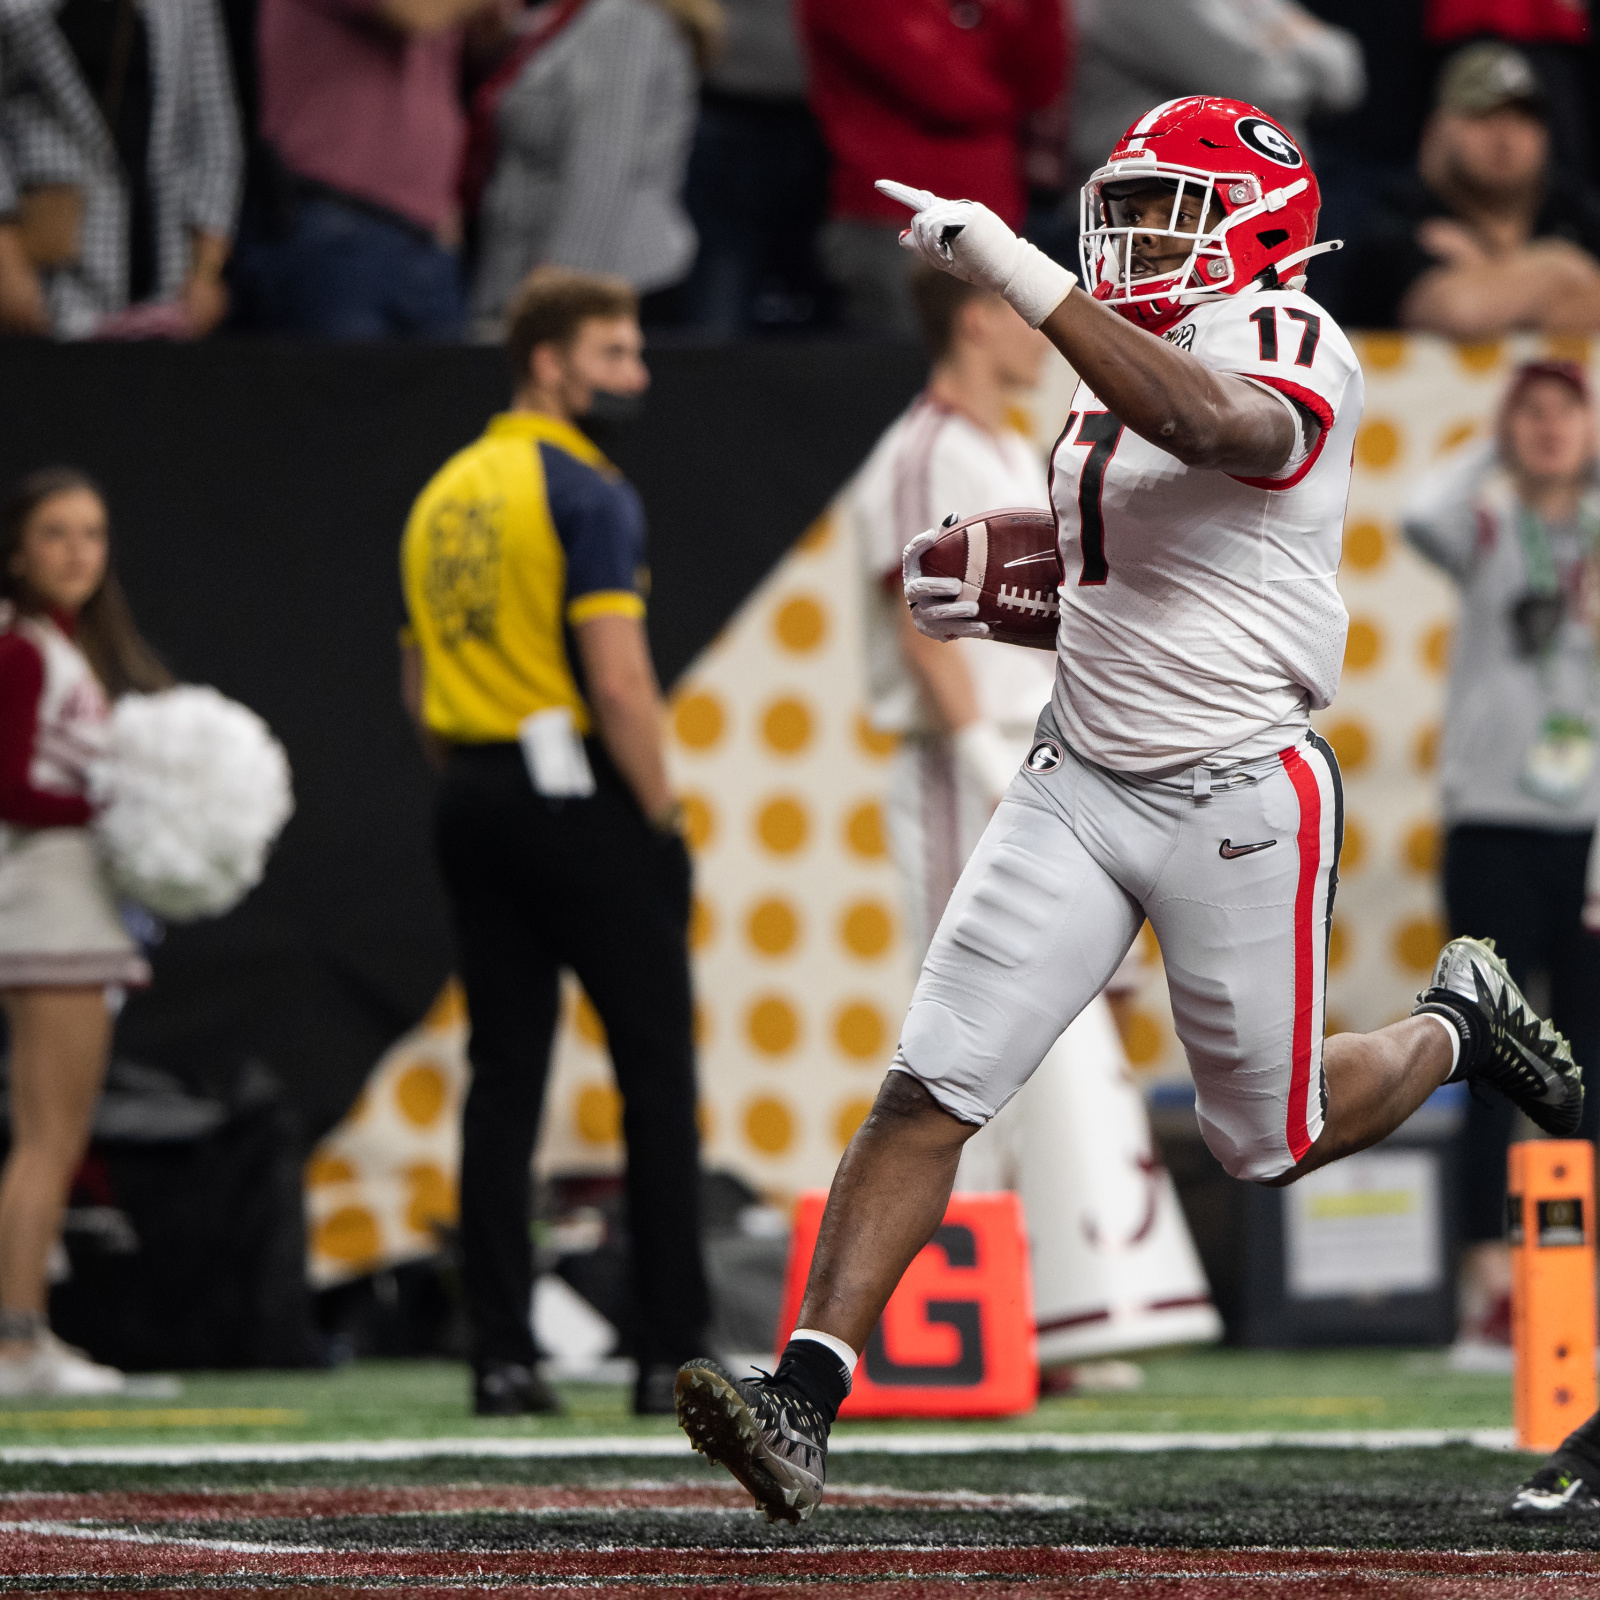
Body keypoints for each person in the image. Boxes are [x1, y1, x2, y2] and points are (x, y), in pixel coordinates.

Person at [673, 94, 1583, 1524]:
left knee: (1265, 1141)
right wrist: (1013, 579)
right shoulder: (1124, 360)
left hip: (1239, 791)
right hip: (1079, 777)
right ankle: (802, 1393)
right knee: (936, 1079)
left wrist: (1020, 281)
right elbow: (1157, 577)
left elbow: (1212, 426)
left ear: (1255, 226)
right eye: (1129, 208)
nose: (1133, 238)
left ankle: (1457, 1025)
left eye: (1169, 210)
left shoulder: (1290, 339)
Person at [844, 263, 1218, 1379]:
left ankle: (1052, 1296)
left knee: (1055, 1012)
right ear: (972, 318)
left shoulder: (1013, 446)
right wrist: (975, 749)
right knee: (982, 1014)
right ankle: (1014, 1313)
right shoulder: (921, 452)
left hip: (1052, 750)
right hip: (973, 764)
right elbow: (921, 619)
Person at [401, 266, 711, 1417]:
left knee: (502, 1079)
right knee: (654, 1074)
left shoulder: (444, 491)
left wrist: (480, 776)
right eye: (614, 353)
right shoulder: (585, 489)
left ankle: (501, 1355)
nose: (634, 375)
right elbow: (620, 680)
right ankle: (666, 1352)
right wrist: (662, 810)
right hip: (582, 798)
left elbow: (418, 681)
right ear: (550, 361)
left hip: (470, 791)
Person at [1403, 359, 1600, 1355]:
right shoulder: (1482, 525)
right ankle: (1486, 1284)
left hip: (1591, 838)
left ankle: (1581, 1285)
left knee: (1589, 1056)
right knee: (1486, 1051)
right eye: (1531, 412)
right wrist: (1492, 443)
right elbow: (1414, 514)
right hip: (1489, 820)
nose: (1550, 428)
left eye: (1568, 410)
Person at [0, 468, 172, 1395]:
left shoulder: (63, 649)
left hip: (73, 912)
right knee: (46, 1137)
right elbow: (8, 789)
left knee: (61, 1137)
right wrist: (117, 807)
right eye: (56, 534)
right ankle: (14, 1341)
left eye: (93, 534)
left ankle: (31, 1335)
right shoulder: (22, 648)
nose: (77, 552)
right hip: (45, 913)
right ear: (19, 551)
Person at [797, 0, 1065, 336]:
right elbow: (950, 92)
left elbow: (1041, 84)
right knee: (906, 376)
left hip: (997, 223)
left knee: (1000, 382)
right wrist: (1011, 107)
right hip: (897, 225)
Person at [234, 0, 491, 338]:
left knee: (448, 389)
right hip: (336, 231)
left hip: (428, 237)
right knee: (336, 388)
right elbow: (415, 12)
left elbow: (484, 42)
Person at [468, 0, 717, 335]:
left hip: (591, 283)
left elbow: (603, 165)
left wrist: (564, 289)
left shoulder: (623, 20)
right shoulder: (568, 15)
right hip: (543, 269)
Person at [0, 0, 241, 340]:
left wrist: (205, 271)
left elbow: (216, 135)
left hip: (165, 282)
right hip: (47, 275)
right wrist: (6, 262)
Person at [1342, 41, 1600, 336]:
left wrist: (1488, 271)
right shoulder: (1398, 214)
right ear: (1434, 132)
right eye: (1483, 115)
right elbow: (1458, 313)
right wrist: (1563, 268)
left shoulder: (1574, 211)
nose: (1505, 138)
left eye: (1525, 117)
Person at [1070, 0, 1364, 184]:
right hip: (1147, 209)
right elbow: (1257, 84)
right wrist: (1285, 41)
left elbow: (1343, 77)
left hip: (1249, 204)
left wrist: (1271, 52)